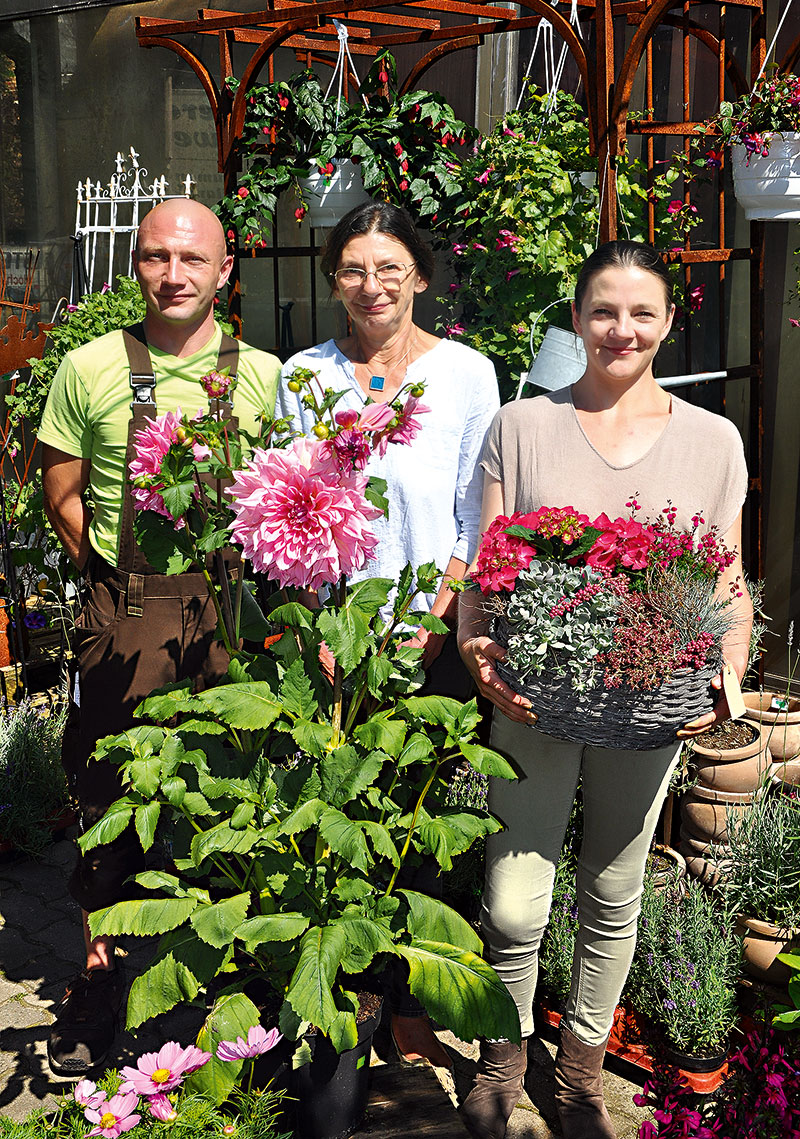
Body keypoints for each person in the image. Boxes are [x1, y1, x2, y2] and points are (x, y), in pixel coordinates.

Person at [456, 240, 752, 1139]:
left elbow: (728, 578)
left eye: (640, 313)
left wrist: (729, 678)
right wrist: (475, 639)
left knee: (613, 888)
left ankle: (579, 1071)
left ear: (667, 322)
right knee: (514, 896)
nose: (620, 329)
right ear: (577, 319)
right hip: (536, 698)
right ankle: (502, 1051)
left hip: (650, 705)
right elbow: (490, 555)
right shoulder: (522, 427)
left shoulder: (714, 440)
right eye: (601, 311)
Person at [38, 198, 281, 1076]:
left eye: (191, 259)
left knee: (228, 787)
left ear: (224, 273)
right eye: (154, 257)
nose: (172, 275)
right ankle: (100, 976)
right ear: (134, 266)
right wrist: (118, 589)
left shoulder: (260, 375)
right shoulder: (89, 366)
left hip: (227, 607)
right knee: (107, 796)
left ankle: (219, 976)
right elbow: (61, 484)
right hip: (129, 601)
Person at [278, 200, 500, 1068]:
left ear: (420, 277)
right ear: (335, 279)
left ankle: (408, 1009)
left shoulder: (466, 374)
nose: (372, 288)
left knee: (417, 817)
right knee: (336, 814)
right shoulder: (307, 374)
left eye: (390, 270)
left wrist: (438, 620)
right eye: (354, 271)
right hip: (334, 633)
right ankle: (343, 995)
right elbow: (297, 503)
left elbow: (477, 514)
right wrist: (325, 628)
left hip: (427, 633)